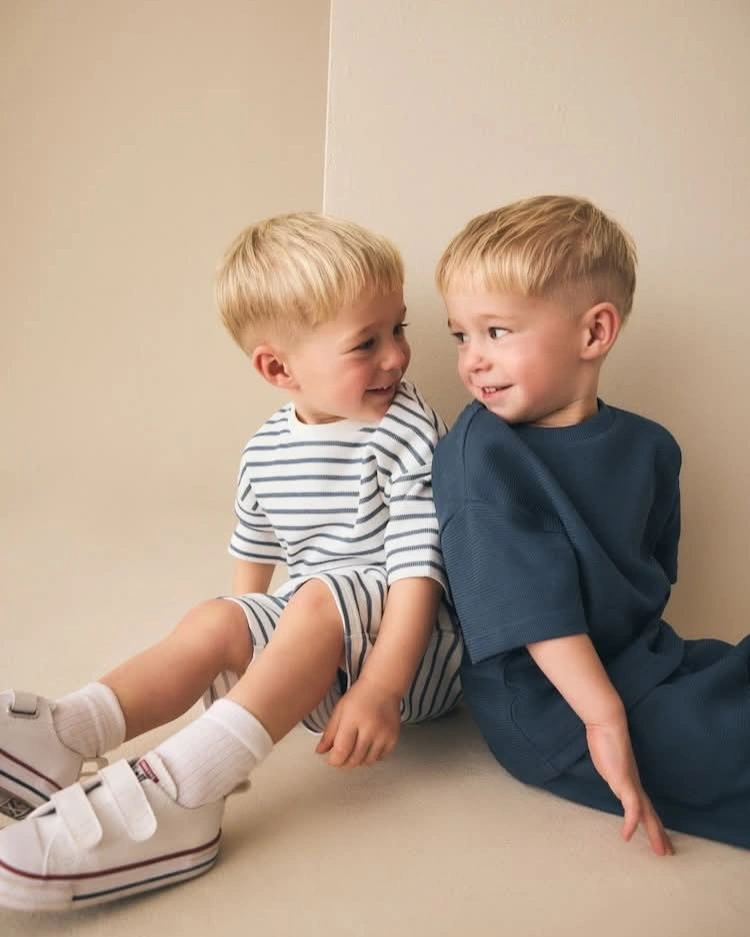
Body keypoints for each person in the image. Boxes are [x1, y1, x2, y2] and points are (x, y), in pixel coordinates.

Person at [0, 213, 462, 912]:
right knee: (216, 616)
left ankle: (190, 789)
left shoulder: (407, 429)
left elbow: (419, 570)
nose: (397, 356)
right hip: (320, 659)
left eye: (398, 328)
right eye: (367, 342)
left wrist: (381, 687)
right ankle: (69, 732)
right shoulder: (265, 452)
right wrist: (243, 652)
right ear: (279, 369)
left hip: (417, 654)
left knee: (317, 597)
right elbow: (254, 566)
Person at [431, 194, 750, 857]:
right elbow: (530, 613)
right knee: (729, 739)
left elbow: (651, 581)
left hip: (648, 661)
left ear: (594, 333)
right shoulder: (481, 453)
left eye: (496, 332)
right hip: (556, 709)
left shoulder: (650, 447)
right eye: (461, 335)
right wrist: (605, 719)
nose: (472, 359)